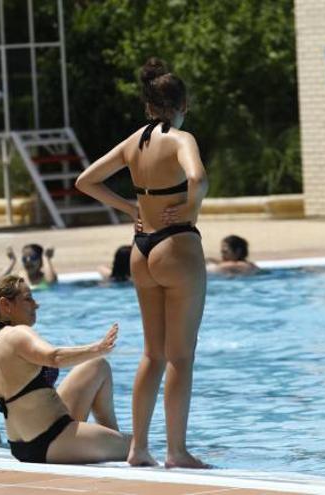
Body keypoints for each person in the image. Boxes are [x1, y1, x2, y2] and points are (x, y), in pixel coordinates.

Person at [75, 58, 209, 468]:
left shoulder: (135, 141)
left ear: (148, 106)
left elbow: (86, 180)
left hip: (141, 249)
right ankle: (177, 451)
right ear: (181, 103)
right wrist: (189, 209)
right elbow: (199, 179)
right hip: (177, 248)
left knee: (152, 354)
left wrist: (127, 205)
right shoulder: (181, 139)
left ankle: (138, 449)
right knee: (180, 357)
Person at [0, 276, 128, 465]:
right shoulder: (18, 334)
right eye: (28, 299)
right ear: (6, 305)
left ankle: (110, 437)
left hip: (22, 447)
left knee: (96, 366)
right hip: (52, 439)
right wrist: (97, 348)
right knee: (138, 446)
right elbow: (54, 357)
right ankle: (115, 442)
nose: (36, 304)